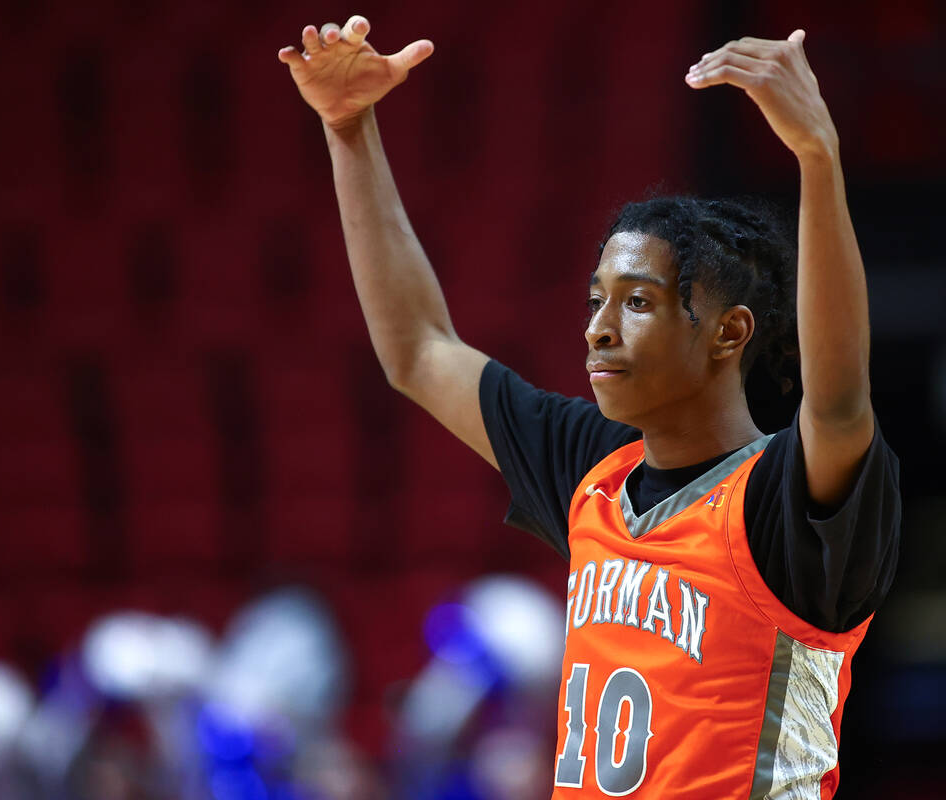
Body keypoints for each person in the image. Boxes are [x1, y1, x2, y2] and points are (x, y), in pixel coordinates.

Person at [278, 15, 901, 799]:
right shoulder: (592, 469)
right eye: (595, 300)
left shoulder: (783, 498)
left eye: (636, 302)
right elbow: (419, 351)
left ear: (726, 332)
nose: (599, 328)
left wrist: (818, 157)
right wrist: (348, 127)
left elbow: (840, 402)